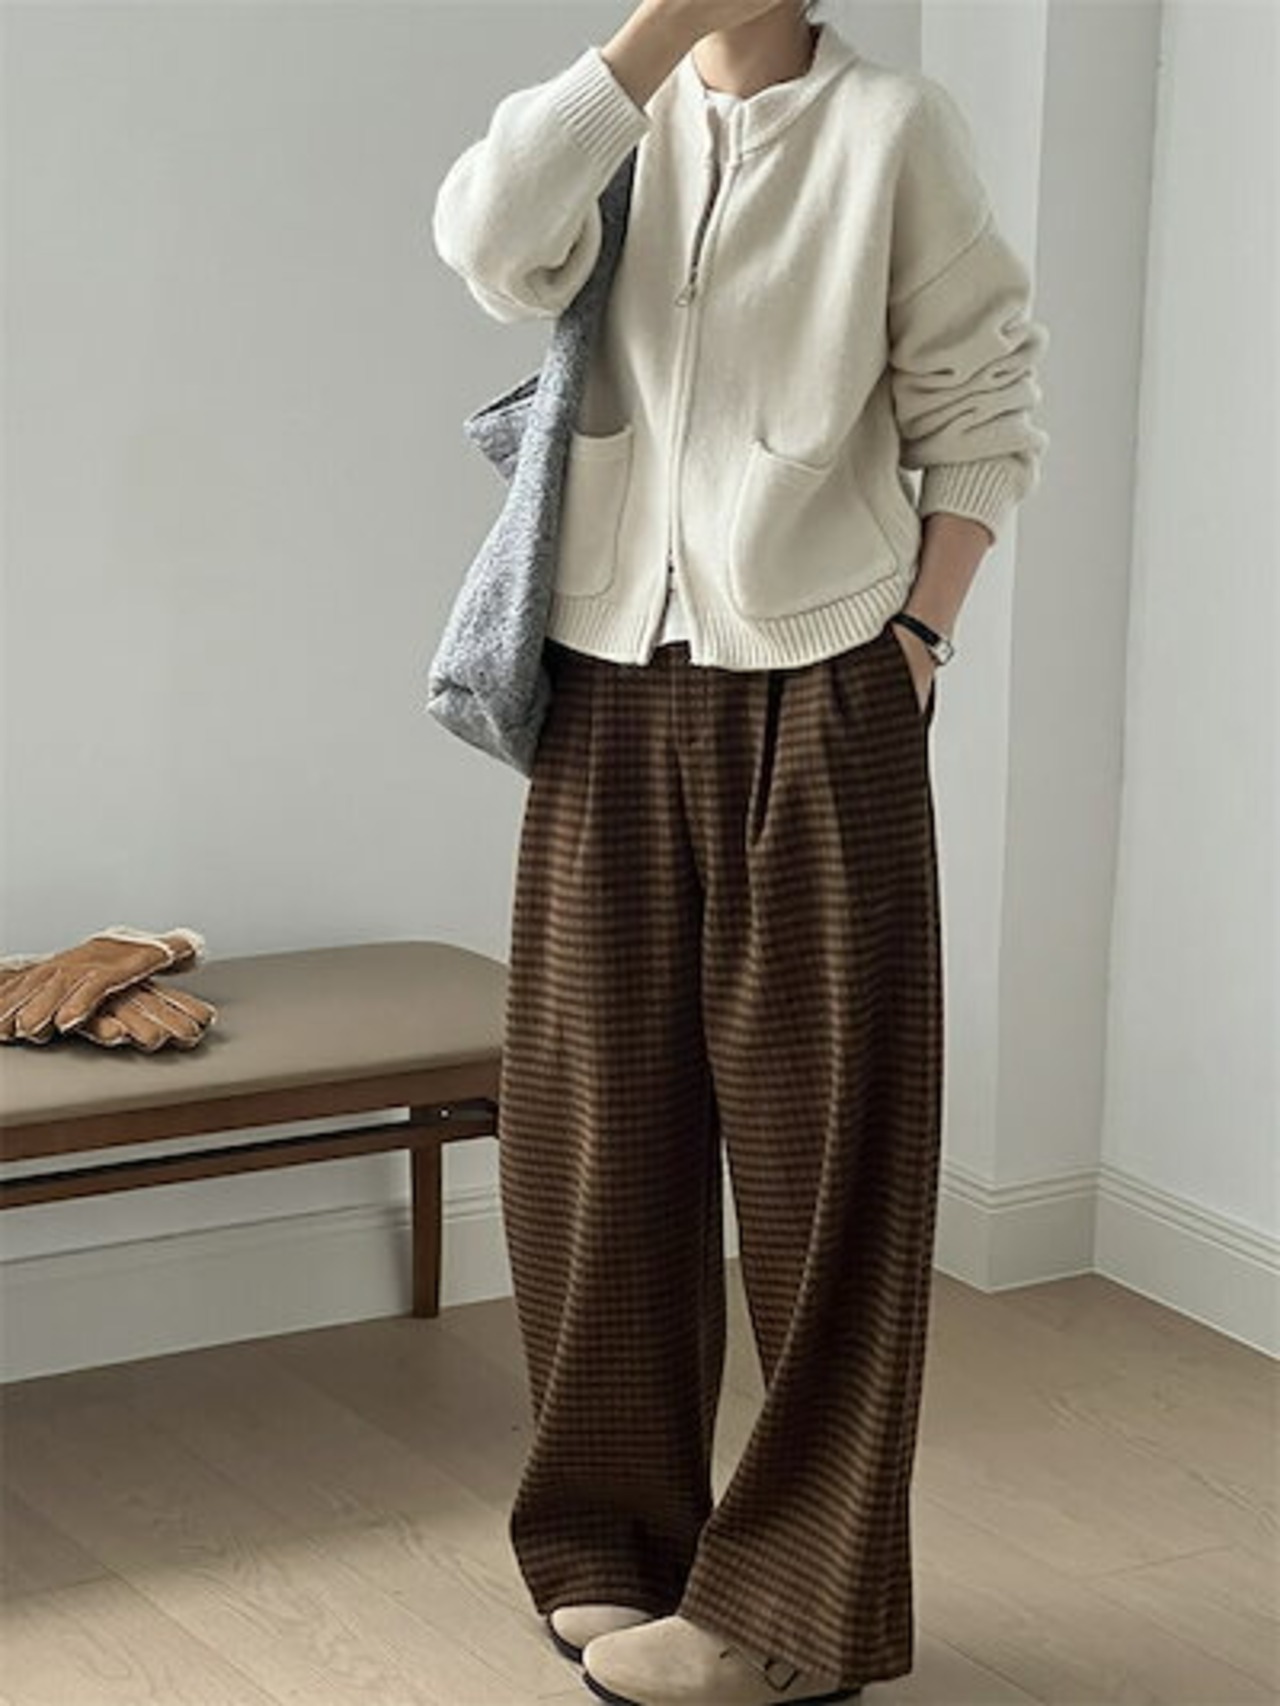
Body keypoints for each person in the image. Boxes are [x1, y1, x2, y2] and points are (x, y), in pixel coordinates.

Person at [432, 1, 1049, 1701]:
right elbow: (486, 243)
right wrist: (644, 48)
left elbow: (985, 402)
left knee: (824, 1170)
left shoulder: (894, 130)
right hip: (603, 687)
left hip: (826, 679)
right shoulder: (604, 121)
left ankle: (793, 1613)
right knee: (591, 1149)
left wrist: (918, 640)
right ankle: (611, 1539)